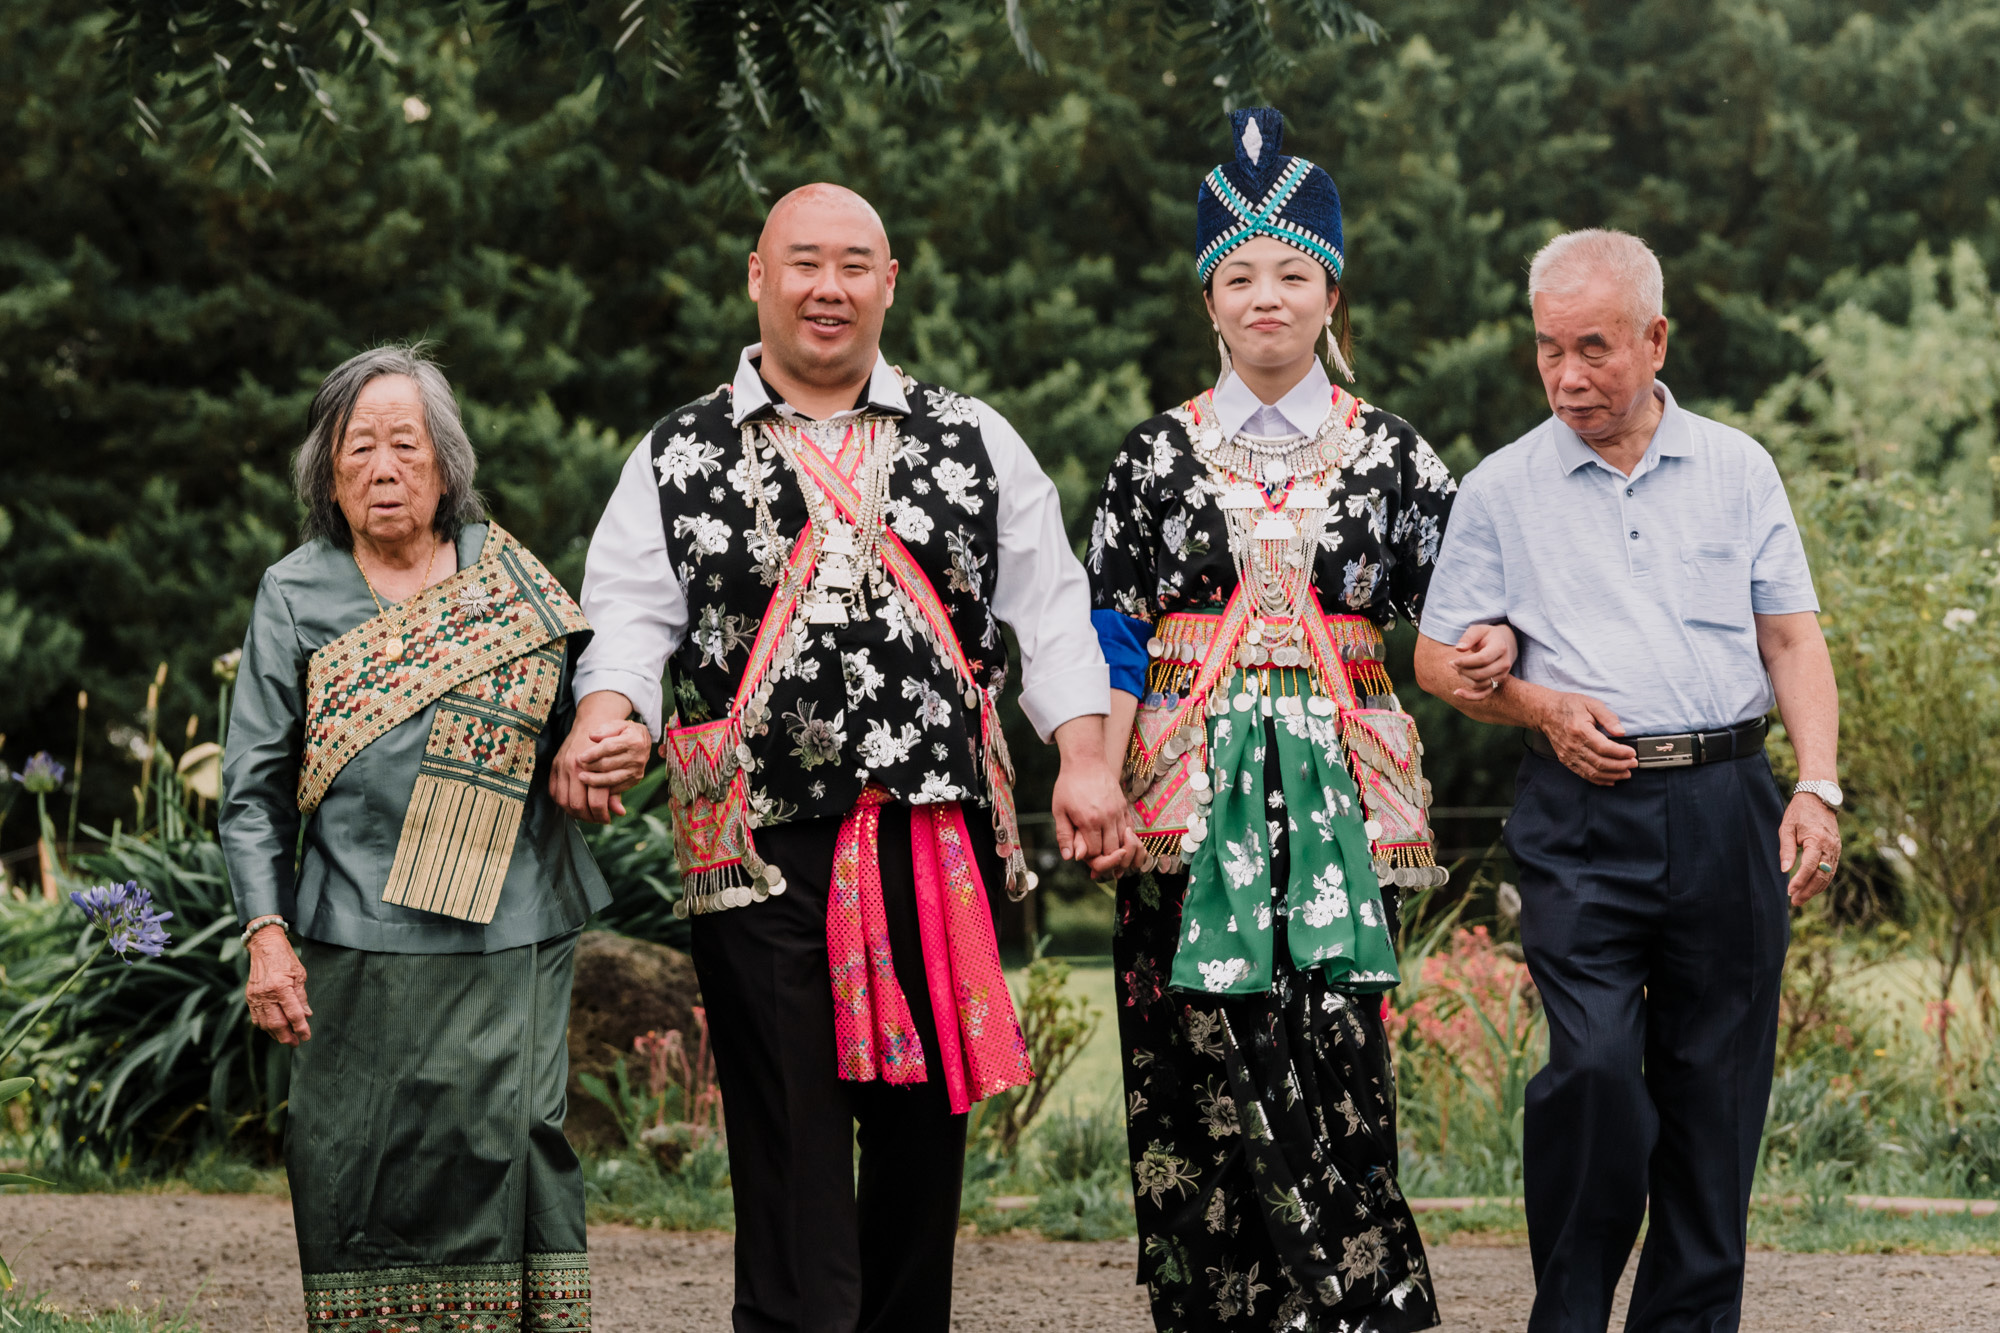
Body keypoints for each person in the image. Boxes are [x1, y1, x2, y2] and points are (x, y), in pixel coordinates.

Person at [558, 182, 1130, 1333]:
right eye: (803, 262)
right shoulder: (676, 451)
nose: (829, 287)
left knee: (922, 1138)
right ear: (756, 277)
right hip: (755, 847)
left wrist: (1081, 758)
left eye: (853, 265)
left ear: (889, 284)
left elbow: (1051, 607)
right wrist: (608, 709)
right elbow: (625, 613)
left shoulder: (973, 437)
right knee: (788, 1132)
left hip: (936, 835)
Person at [1087, 108, 1512, 1333]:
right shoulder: (1151, 458)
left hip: (1339, 804)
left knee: (1336, 1066)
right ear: (1206, 300)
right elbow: (1115, 633)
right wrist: (1103, 782)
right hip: (1179, 805)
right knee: (1189, 1067)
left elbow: (1459, 618)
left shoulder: (1398, 458)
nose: (1263, 297)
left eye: (1290, 273)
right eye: (1238, 275)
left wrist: (1494, 646)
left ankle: (1352, 1306)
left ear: (1331, 289)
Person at [1413, 228, 1842, 1333]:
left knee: (1712, 1099)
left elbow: (1791, 643)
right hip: (1577, 811)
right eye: (1547, 349)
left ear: (1654, 340)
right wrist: (1530, 700)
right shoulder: (1501, 487)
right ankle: (1565, 1315)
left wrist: (1818, 787)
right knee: (1596, 1071)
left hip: (1725, 801)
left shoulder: (1738, 467)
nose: (1566, 376)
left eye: (1592, 348)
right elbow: (1432, 658)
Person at [219, 344, 647, 1333]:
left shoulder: (515, 585)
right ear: (326, 472)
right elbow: (252, 787)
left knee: (509, 1139)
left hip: (512, 922)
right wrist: (265, 932)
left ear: (445, 465)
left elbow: (593, 720)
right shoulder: (296, 592)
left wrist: (607, 749)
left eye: (403, 445)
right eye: (356, 447)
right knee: (351, 1151)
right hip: (350, 928)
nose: (381, 467)